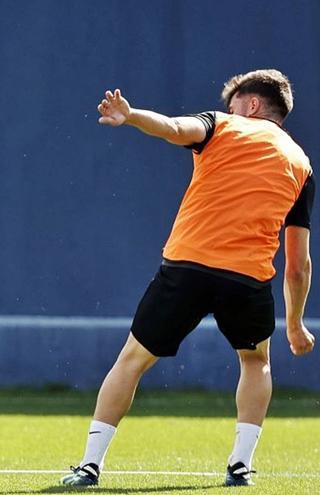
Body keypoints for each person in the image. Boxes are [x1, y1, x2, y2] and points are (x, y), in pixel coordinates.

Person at [62, 69, 316, 488]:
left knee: (132, 360)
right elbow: (298, 265)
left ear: (251, 105)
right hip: (248, 279)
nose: (229, 108)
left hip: (188, 267)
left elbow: (175, 128)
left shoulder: (224, 124)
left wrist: (132, 116)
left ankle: (89, 464)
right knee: (256, 362)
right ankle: (240, 465)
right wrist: (294, 324)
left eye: (234, 103)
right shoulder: (301, 164)